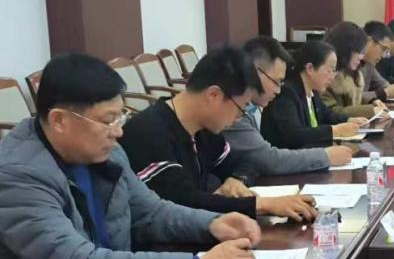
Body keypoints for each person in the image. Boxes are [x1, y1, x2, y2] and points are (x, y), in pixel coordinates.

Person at [0, 54, 262, 259]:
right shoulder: (17, 176)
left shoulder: (107, 152)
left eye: (120, 116)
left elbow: (150, 212)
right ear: (59, 120)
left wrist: (212, 224)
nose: (119, 131)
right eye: (107, 120)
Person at [119, 46, 318, 222]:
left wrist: (236, 179)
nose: (239, 118)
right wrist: (263, 205)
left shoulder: (203, 129)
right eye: (241, 108)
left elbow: (245, 162)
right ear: (214, 95)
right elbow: (183, 202)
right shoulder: (149, 133)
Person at [223, 37, 356, 178]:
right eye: (276, 81)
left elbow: (252, 160)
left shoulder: (252, 107)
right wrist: (325, 155)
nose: (278, 90)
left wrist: (241, 177)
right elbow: (270, 158)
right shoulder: (233, 111)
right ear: (255, 73)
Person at [261, 40, 367, 149]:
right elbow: (293, 135)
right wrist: (335, 131)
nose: (332, 77)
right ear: (310, 68)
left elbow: (328, 115)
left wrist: (349, 120)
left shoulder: (312, 91)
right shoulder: (286, 93)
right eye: (330, 70)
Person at [321, 22, 391, 119]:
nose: (361, 57)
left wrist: (372, 101)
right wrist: (371, 110)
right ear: (346, 50)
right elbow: (331, 112)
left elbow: (354, 99)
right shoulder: (325, 75)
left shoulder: (353, 73)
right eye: (359, 52)